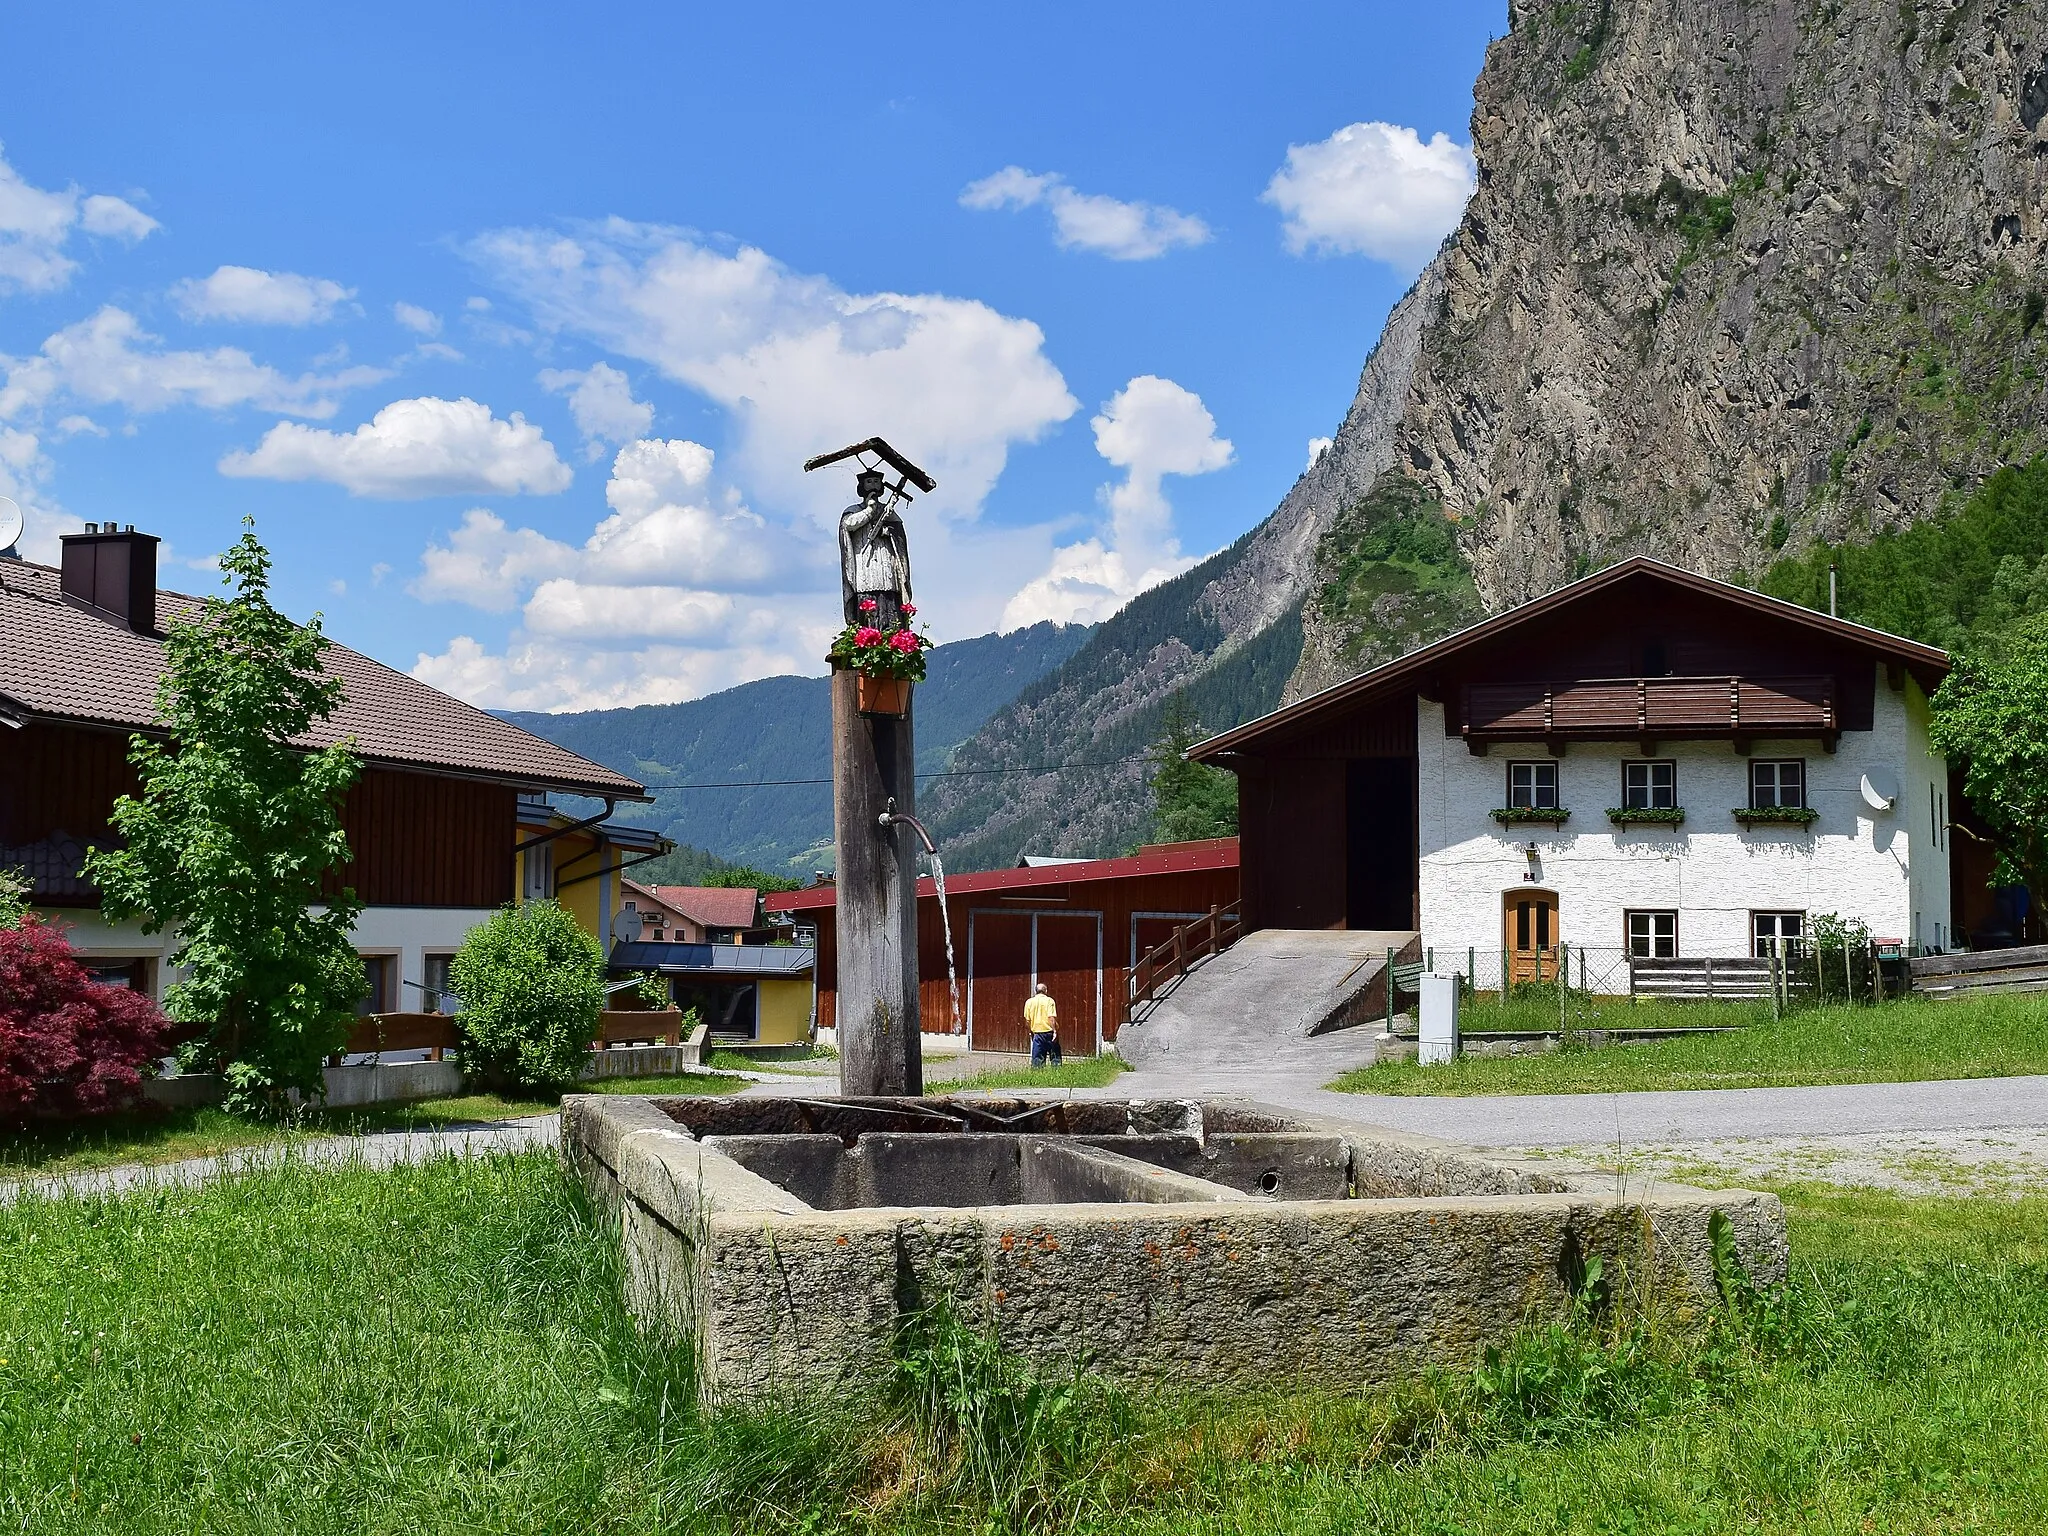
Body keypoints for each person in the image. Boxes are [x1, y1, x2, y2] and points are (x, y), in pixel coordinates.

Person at [1024, 982, 1062, 1068]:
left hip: (1037, 1033)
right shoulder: (1049, 1000)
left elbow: (1027, 1020)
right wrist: (1055, 1031)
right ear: (1046, 991)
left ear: (1036, 991)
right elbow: (1051, 1017)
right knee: (1055, 1056)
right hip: (1049, 1032)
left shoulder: (1029, 1002)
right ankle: (1057, 1075)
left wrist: (1030, 1031)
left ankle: (1037, 1076)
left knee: (1037, 1058)